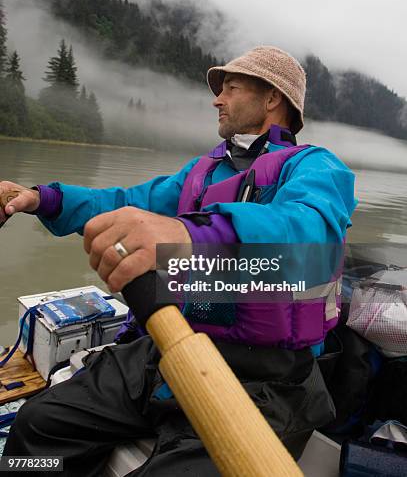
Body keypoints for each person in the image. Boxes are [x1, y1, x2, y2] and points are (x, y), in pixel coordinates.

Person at [0, 46, 356, 476]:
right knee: (38, 427)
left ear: (271, 98)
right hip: (161, 354)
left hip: (265, 379)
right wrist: (44, 198)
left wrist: (189, 234)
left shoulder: (318, 168)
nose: (216, 99)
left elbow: (308, 229)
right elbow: (127, 203)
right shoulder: (201, 171)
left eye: (231, 88)